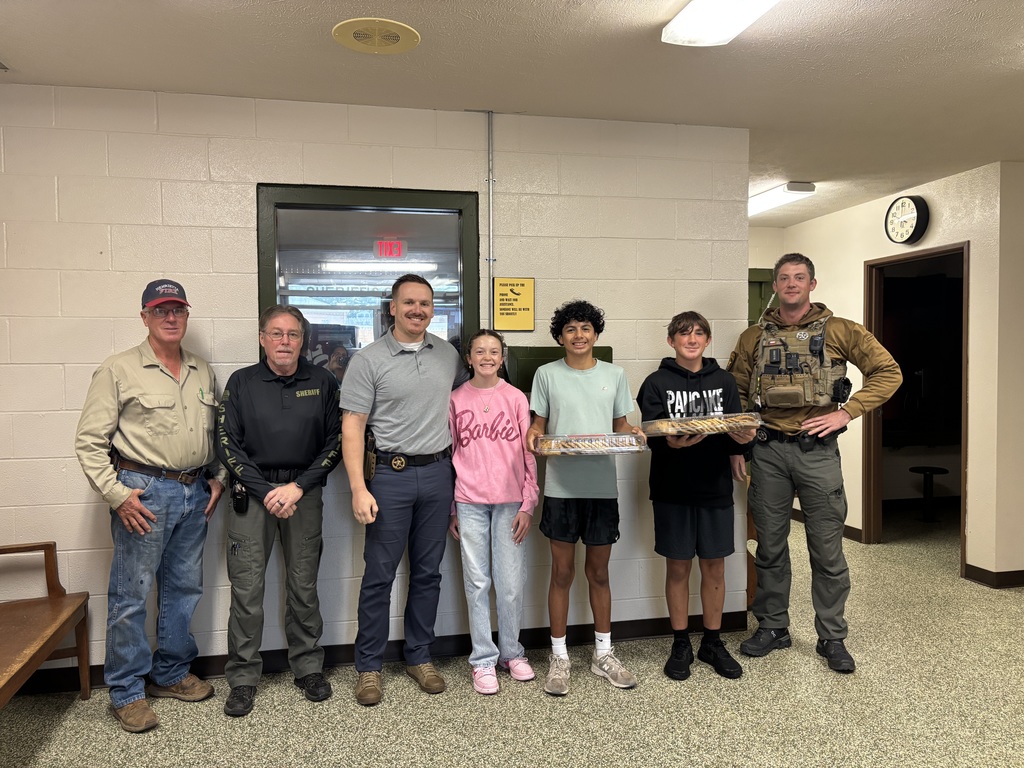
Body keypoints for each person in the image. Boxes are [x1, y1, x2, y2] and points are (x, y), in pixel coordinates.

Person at [728, 253, 902, 673]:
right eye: (784, 278)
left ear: (812, 283)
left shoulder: (842, 330)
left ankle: (832, 636)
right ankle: (773, 626)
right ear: (775, 285)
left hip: (817, 452)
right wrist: (735, 444)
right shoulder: (753, 336)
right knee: (769, 546)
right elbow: (733, 391)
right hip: (766, 451)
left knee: (826, 549)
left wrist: (848, 411)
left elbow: (888, 372)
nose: (791, 284)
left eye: (799, 277)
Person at [74, 279, 225, 733]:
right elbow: (89, 442)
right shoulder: (119, 369)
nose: (171, 317)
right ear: (145, 316)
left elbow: (211, 435)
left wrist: (217, 477)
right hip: (143, 493)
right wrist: (118, 495)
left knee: (184, 590)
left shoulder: (201, 370)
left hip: (194, 491)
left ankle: (172, 673)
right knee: (131, 593)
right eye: (161, 310)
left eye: (178, 309)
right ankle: (125, 691)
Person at [340, 274, 462, 706]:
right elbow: (352, 425)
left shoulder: (448, 355)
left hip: (437, 475)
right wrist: (358, 487)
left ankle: (419, 656)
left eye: (425, 303)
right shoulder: (368, 360)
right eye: (409, 302)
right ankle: (369, 667)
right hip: (388, 477)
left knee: (428, 573)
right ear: (392, 308)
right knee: (379, 575)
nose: (417, 310)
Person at [216, 305, 342, 717]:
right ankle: (242, 677)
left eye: (292, 334)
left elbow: (336, 443)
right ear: (262, 337)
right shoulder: (241, 383)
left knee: (303, 586)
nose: (285, 341)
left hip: (303, 493)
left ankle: (307, 667)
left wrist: (297, 487)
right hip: (252, 495)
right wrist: (266, 491)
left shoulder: (323, 382)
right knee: (247, 590)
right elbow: (226, 444)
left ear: (303, 339)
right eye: (276, 333)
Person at [526, 299, 646, 696]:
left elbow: (622, 424)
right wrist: (533, 439)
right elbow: (537, 426)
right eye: (571, 329)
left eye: (586, 328)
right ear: (560, 336)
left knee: (598, 573)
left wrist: (634, 433)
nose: (579, 335)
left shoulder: (615, 374)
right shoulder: (546, 374)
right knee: (561, 573)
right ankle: (558, 657)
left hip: (601, 489)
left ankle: (603, 654)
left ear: (596, 334)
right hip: (561, 488)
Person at [637, 311, 754, 682]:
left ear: (707, 340)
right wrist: (670, 442)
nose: (692, 339)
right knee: (677, 567)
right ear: (671, 341)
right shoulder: (655, 382)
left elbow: (737, 429)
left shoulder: (724, 382)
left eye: (699, 333)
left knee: (715, 566)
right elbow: (652, 433)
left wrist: (744, 445)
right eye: (684, 333)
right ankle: (680, 641)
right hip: (672, 488)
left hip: (715, 486)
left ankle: (713, 641)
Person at [448, 329, 539, 695]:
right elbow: (448, 455)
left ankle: (512, 652)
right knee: (477, 581)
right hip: (468, 501)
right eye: (479, 351)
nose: (487, 357)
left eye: (494, 351)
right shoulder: (455, 399)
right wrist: (451, 507)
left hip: (510, 502)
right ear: (468, 358)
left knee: (511, 583)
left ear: (503, 358)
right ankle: (483, 659)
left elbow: (529, 454)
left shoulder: (516, 398)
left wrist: (528, 502)